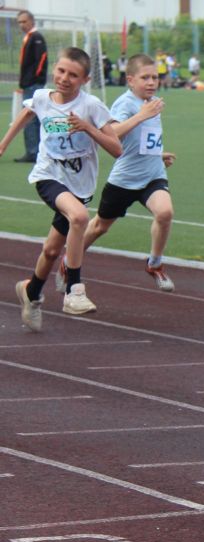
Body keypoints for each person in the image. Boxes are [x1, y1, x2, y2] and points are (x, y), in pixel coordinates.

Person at [0, 47, 122, 331]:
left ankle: (31, 292)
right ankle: (74, 291)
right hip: (48, 176)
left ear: (85, 79)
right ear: (54, 69)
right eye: (61, 71)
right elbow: (26, 113)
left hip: (79, 185)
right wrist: (3, 143)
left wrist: (88, 128)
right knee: (79, 217)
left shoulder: (91, 106)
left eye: (73, 75)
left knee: (52, 250)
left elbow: (116, 149)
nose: (65, 78)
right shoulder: (43, 98)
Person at [55, 53, 176, 294]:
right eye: (145, 78)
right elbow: (113, 134)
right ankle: (68, 262)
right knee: (99, 226)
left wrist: (157, 154)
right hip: (124, 180)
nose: (152, 82)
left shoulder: (153, 103)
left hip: (153, 175)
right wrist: (142, 115)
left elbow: (142, 138)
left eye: (155, 77)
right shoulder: (126, 103)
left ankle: (155, 264)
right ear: (130, 80)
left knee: (165, 213)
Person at [14, 10, 48, 164]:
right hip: (29, 84)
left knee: (30, 118)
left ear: (32, 21)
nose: (22, 25)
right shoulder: (29, 37)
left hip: (33, 84)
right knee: (32, 117)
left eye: (24, 21)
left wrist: (33, 79)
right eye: (19, 22)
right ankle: (36, 150)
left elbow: (41, 59)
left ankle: (33, 152)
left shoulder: (36, 37)